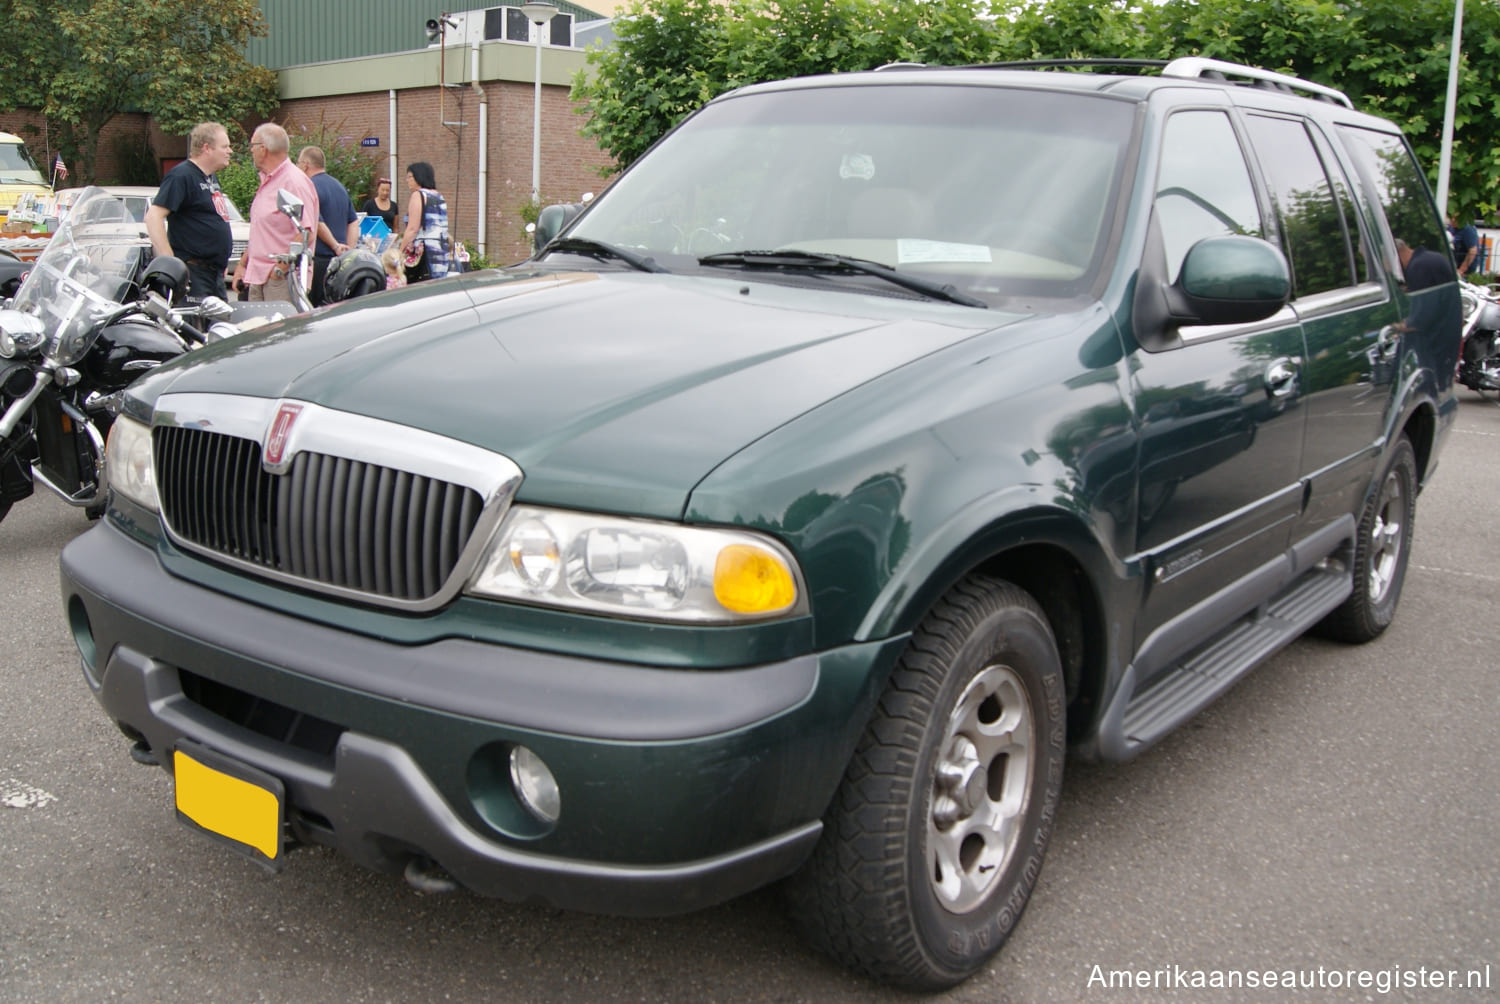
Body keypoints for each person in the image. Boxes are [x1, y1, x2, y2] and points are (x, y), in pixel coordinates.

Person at [145, 122, 235, 300]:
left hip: (214, 274)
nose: (230, 151)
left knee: (221, 326)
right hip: (194, 273)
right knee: (196, 326)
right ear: (207, 148)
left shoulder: (210, 177)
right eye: (225, 146)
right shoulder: (181, 175)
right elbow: (153, 217)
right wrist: (172, 264)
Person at [231, 123, 319, 304]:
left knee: (281, 331)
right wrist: (243, 264)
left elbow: (306, 233)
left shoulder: (294, 182)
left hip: (281, 281)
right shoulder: (268, 180)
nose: (251, 151)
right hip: (260, 278)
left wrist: (279, 271)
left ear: (263, 149)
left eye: (253, 146)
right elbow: (261, 232)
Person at [297, 145, 359, 307]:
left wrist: (334, 245)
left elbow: (315, 220)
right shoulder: (339, 187)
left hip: (319, 259)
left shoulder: (308, 186)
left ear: (305, 164)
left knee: (313, 309)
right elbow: (353, 221)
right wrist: (348, 251)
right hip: (339, 262)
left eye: (298, 164)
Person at [399, 162, 449, 282]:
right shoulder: (438, 196)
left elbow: (413, 229)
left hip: (424, 255)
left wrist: (399, 251)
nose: (407, 180)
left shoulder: (418, 195)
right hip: (441, 252)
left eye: (409, 177)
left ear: (419, 176)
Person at [1449, 211, 1479, 278]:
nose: (1452, 220)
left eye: (1455, 218)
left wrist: (1461, 270)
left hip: (1465, 270)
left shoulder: (1468, 229)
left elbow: (1472, 250)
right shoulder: (1451, 228)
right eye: (1451, 218)